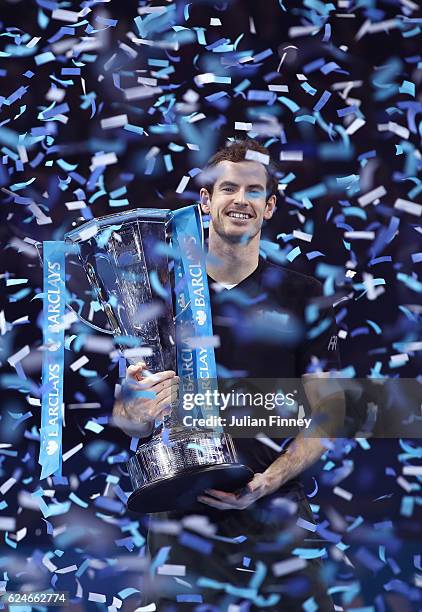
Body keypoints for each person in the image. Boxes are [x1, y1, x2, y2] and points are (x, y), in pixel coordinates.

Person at [113, 139, 342, 611]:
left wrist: (268, 480)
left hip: (275, 507)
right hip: (181, 514)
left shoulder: (306, 297)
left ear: (269, 206)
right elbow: (126, 416)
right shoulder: (157, 298)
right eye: (228, 188)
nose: (241, 199)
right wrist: (137, 406)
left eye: (254, 190)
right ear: (205, 200)